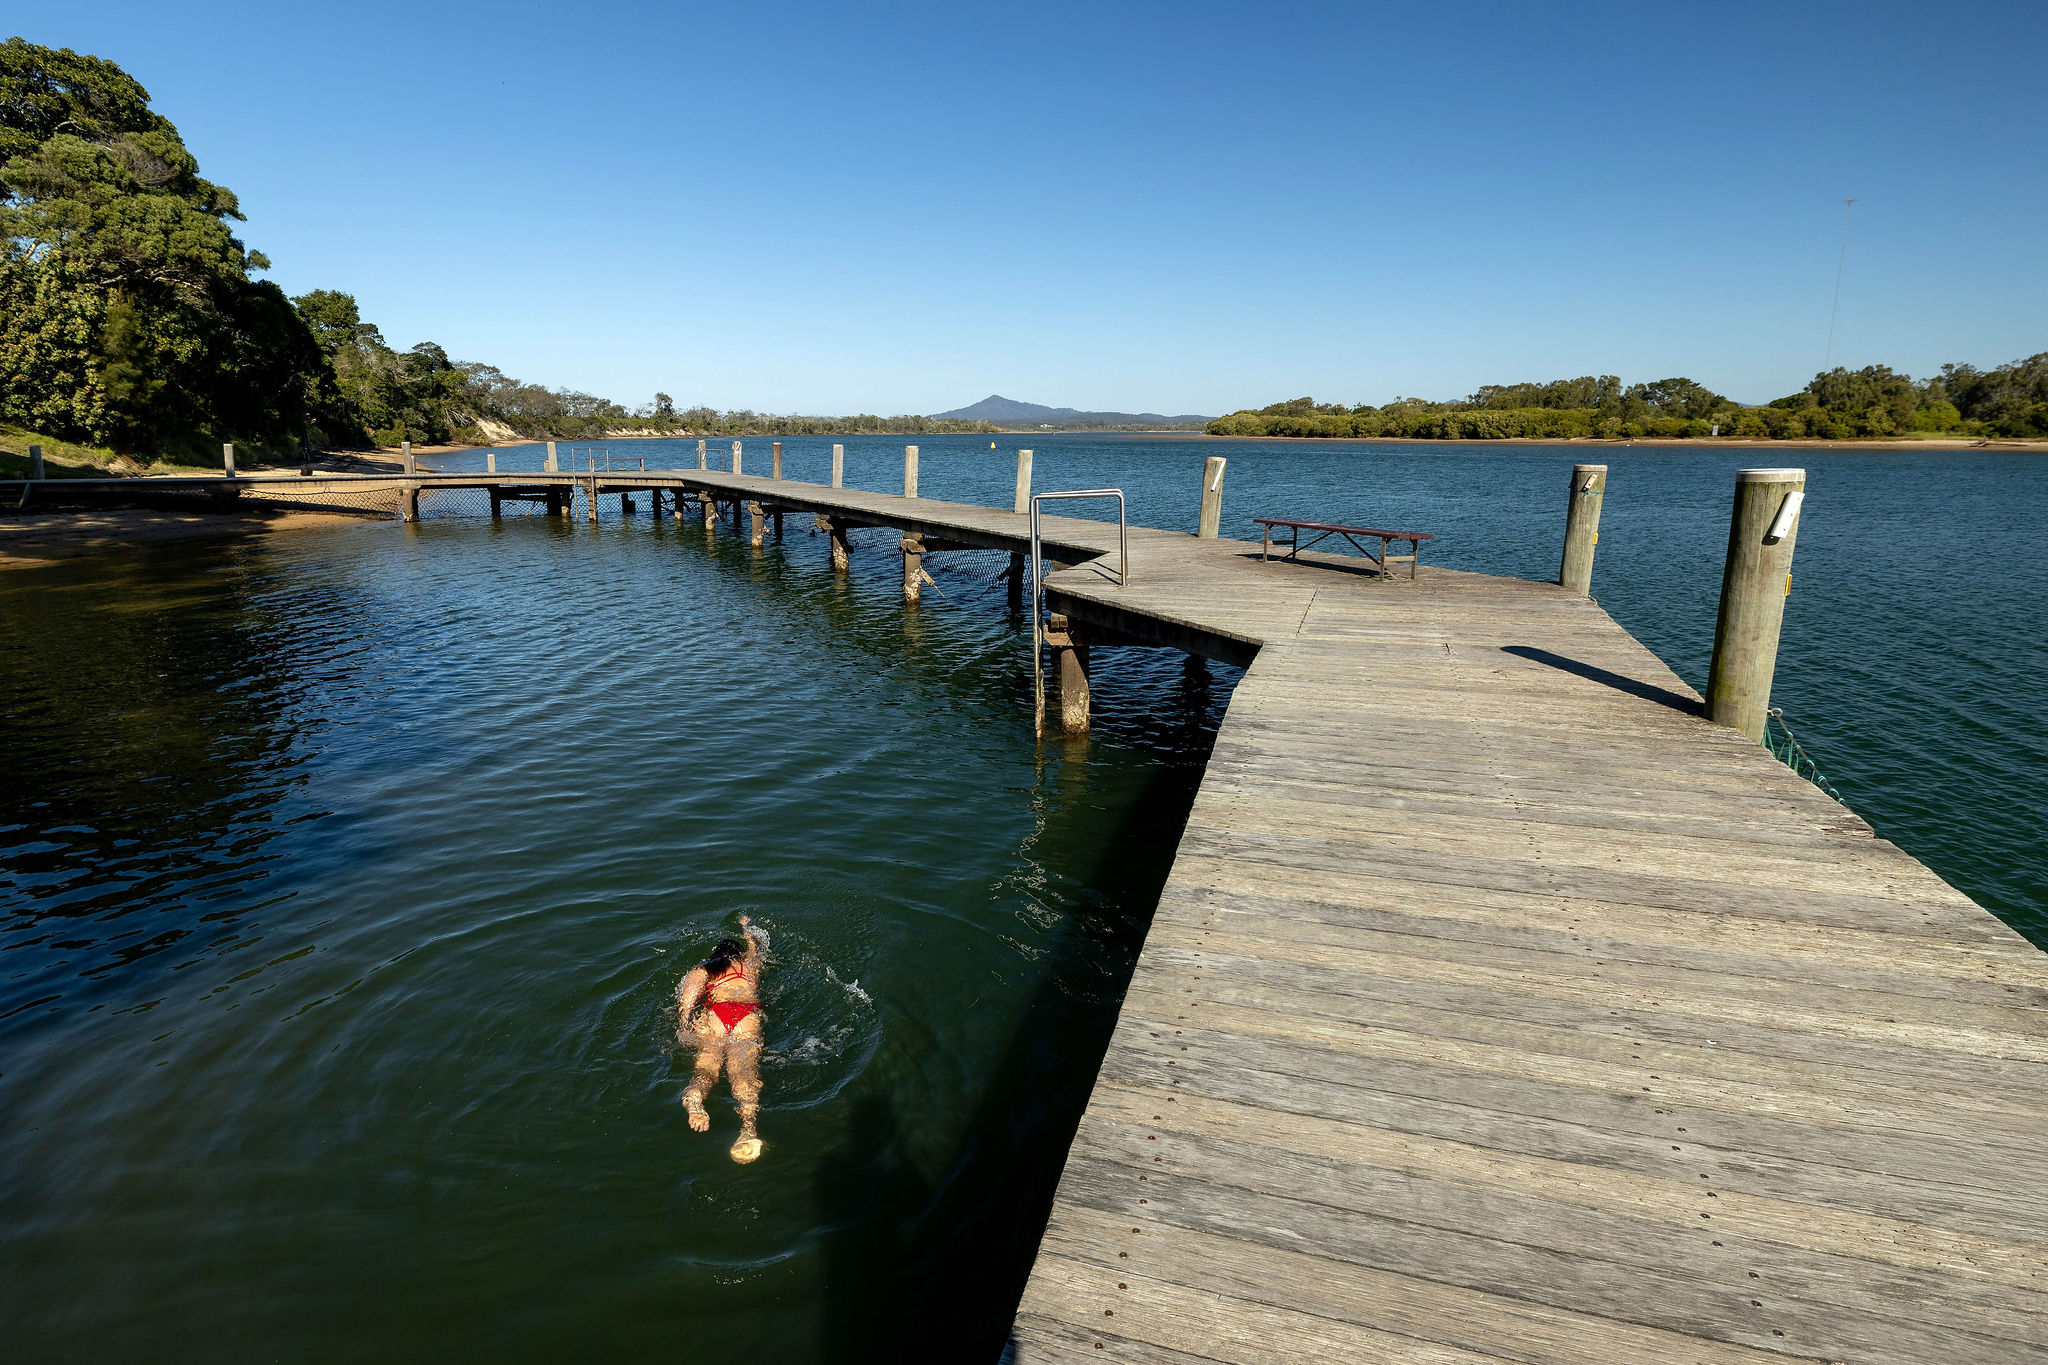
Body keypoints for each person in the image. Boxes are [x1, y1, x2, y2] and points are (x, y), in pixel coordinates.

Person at [676, 914, 766, 1163]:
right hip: (746, 1016)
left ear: (717, 954)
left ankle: (694, 1101)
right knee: (743, 1073)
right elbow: (755, 950)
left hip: (716, 1015)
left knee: (706, 1068)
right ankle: (748, 1129)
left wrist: (685, 1022)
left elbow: (689, 997)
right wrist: (746, 929)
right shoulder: (750, 967)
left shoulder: (705, 968)